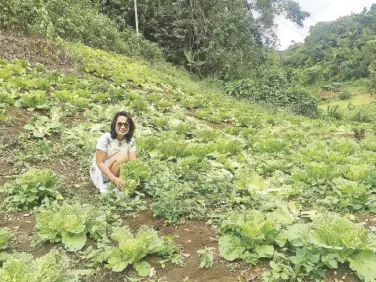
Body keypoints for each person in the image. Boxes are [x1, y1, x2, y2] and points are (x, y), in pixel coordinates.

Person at [90, 111, 136, 193]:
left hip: (117, 170)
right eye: (119, 124)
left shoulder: (131, 141)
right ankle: (111, 183)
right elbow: (100, 163)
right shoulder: (105, 139)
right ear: (114, 124)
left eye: (126, 125)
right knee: (123, 156)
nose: (122, 127)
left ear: (130, 127)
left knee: (126, 161)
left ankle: (119, 182)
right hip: (101, 172)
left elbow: (132, 163)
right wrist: (113, 178)